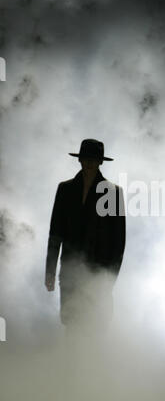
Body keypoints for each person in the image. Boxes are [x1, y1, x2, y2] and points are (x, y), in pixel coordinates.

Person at [44, 139, 126, 333]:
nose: (89, 162)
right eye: (86, 158)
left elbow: (118, 241)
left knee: (96, 326)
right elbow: (55, 233)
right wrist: (50, 271)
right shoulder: (65, 189)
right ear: (79, 159)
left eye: (94, 158)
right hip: (70, 269)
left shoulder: (113, 193)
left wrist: (109, 279)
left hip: (99, 272)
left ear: (100, 162)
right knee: (72, 325)